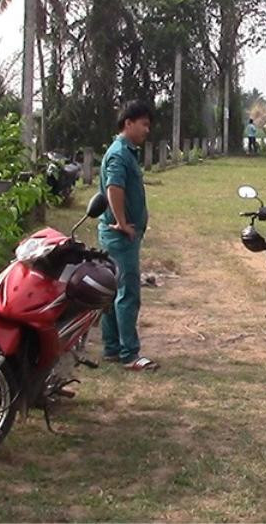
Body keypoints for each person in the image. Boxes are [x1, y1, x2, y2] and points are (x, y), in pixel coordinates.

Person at [99, 101, 158, 371]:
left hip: (117, 234)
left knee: (112, 291)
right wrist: (122, 222)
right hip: (120, 236)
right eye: (143, 124)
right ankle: (129, 354)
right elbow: (114, 187)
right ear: (128, 123)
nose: (147, 129)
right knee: (127, 293)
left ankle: (112, 347)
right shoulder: (119, 154)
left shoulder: (126, 152)